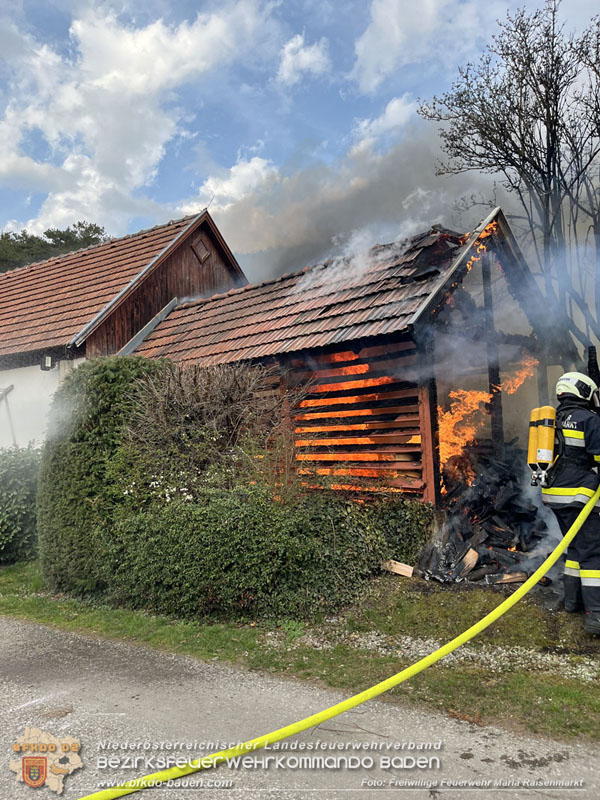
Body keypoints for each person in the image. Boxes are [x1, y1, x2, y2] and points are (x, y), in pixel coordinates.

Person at [541, 372, 600, 635]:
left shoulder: (551, 418)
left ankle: (572, 602)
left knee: (574, 549)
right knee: (593, 553)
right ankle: (596, 616)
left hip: (555, 495)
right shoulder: (589, 419)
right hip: (580, 496)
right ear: (584, 391)